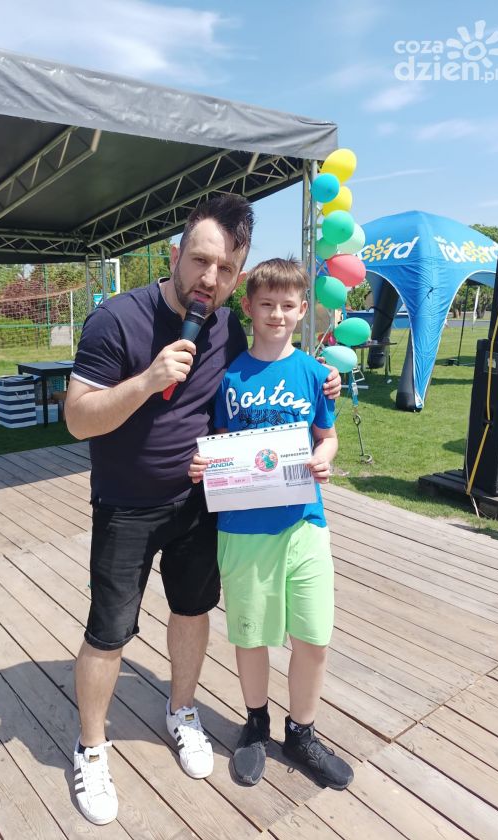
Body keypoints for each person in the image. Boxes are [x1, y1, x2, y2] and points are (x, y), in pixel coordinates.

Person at [64, 196, 342, 825]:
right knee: (108, 632)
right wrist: (146, 379)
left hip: (202, 500)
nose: (209, 279)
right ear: (175, 253)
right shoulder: (116, 319)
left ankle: (181, 710)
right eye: (200, 261)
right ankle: (91, 747)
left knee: (191, 612)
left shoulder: (228, 328)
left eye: (225, 270)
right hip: (126, 505)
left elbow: (265, 375)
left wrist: (322, 380)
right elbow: (78, 419)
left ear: (238, 278)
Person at [189, 257, 353, 790]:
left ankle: (301, 732)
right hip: (243, 529)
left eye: (287, 305)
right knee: (251, 634)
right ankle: (256, 723)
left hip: (305, 522)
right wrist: (205, 464)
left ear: (303, 310)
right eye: (266, 304)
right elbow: (217, 443)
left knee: (313, 636)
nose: (277, 314)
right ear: (249, 307)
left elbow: (326, 437)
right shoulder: (228, 376)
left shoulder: (315, 375)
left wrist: (324, 457)